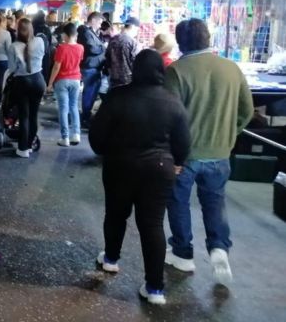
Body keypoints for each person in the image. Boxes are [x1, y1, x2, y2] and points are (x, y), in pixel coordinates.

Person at [90, 50, 191, 306]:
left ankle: (111, 259)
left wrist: (106, 152)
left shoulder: (118, 96)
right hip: (159, 169)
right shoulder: (172, 101)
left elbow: (97, 135)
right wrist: (177, 162)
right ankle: (155, 288)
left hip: (120, 165)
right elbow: (183, 142)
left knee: (116, 214)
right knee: (152, 224)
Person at [164, 19, 255, 287]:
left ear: (180, 42)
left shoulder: (177, 71)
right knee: (214, 201)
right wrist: (229, 133)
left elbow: (169, 117)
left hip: (185, 156)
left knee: (178, 202)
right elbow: (247, 111)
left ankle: (182, 252)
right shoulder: (231, 68)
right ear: (208, 38)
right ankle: (218, 248)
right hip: (220, 152)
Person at [6, 18, 46, 157]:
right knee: (34, 115)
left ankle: (22, 149)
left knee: (24, 116)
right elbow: (43, 56)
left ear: (18, 30)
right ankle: (29, 145)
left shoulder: (13, 46)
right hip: (39, 80)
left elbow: (11, 68)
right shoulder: (40, 41)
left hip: (22, 82)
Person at [46, 23, 84, 147]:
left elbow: (57, 67)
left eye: (63, 33)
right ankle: (76, 134)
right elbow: (78, 63)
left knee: (63, 108)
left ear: (66, 35)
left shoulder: (61, 48)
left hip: (62, 80)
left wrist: (50, 83)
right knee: (74, 107)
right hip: (76, 80)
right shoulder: (81, 48)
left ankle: (65, 137)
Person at [78, 12, 105, 127]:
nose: (100, 25)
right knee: (89, 93)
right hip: (90, 67)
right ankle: (85, 117)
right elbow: (92, 49)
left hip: (94, 67)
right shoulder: (85, 32)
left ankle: (86, 116)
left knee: (92, 93)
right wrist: (103, 47)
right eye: (99, 22)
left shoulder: (91, 32)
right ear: (93, 20)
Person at [104, 17, 141, 89]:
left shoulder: (113, 39)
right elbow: (136, 62)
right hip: (128, 80)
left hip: (113, 77)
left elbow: (107, 58)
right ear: (133, 27)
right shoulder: (132, 42)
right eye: (137, 29)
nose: (137, 31)